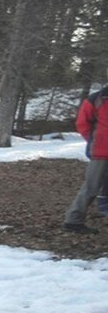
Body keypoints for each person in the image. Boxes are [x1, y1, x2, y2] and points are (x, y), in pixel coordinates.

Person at [64, 83, 108, 234]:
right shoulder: (96, 99)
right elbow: (82, 123)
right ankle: (73, 220)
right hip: (101, 152)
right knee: (91, 187)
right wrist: (94, 141)